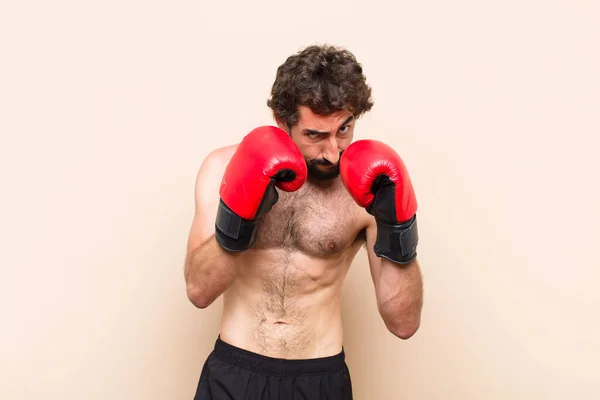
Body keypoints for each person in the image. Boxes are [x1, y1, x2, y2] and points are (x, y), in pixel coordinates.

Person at [184, 44, 423, 400]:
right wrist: (239, 216)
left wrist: (397, 227)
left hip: (319, 378)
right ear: (283, 121)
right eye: (315, 135)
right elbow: (198, 291)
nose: (333, 151)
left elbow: (404, 323)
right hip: (235, 369)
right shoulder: (223, 167)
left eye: (344, 129)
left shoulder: (371, 191)